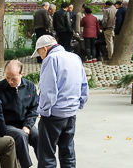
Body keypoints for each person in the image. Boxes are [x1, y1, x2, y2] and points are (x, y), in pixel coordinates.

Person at [30, 35, 89, 168]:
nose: (40, 56)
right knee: (68, 153)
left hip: (54, 114)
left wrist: (43, 110)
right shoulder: (75, 57)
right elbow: (84, 84)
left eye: (39, 53)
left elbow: (48, 89)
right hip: (71, 112)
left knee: (47, 155)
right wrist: (80, 103)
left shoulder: (51, 59)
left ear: (44, 48)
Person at [0, 60, 38, 168]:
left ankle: (45, 163)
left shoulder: (30, 86)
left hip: (24, 121)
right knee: (21, 135)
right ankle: (25, 166)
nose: (10, 81)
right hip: (7, 124)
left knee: (38, 135)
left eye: (14, 78)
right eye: (7, 78)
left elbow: (34, 109)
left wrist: (27, 125)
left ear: (21, 74)